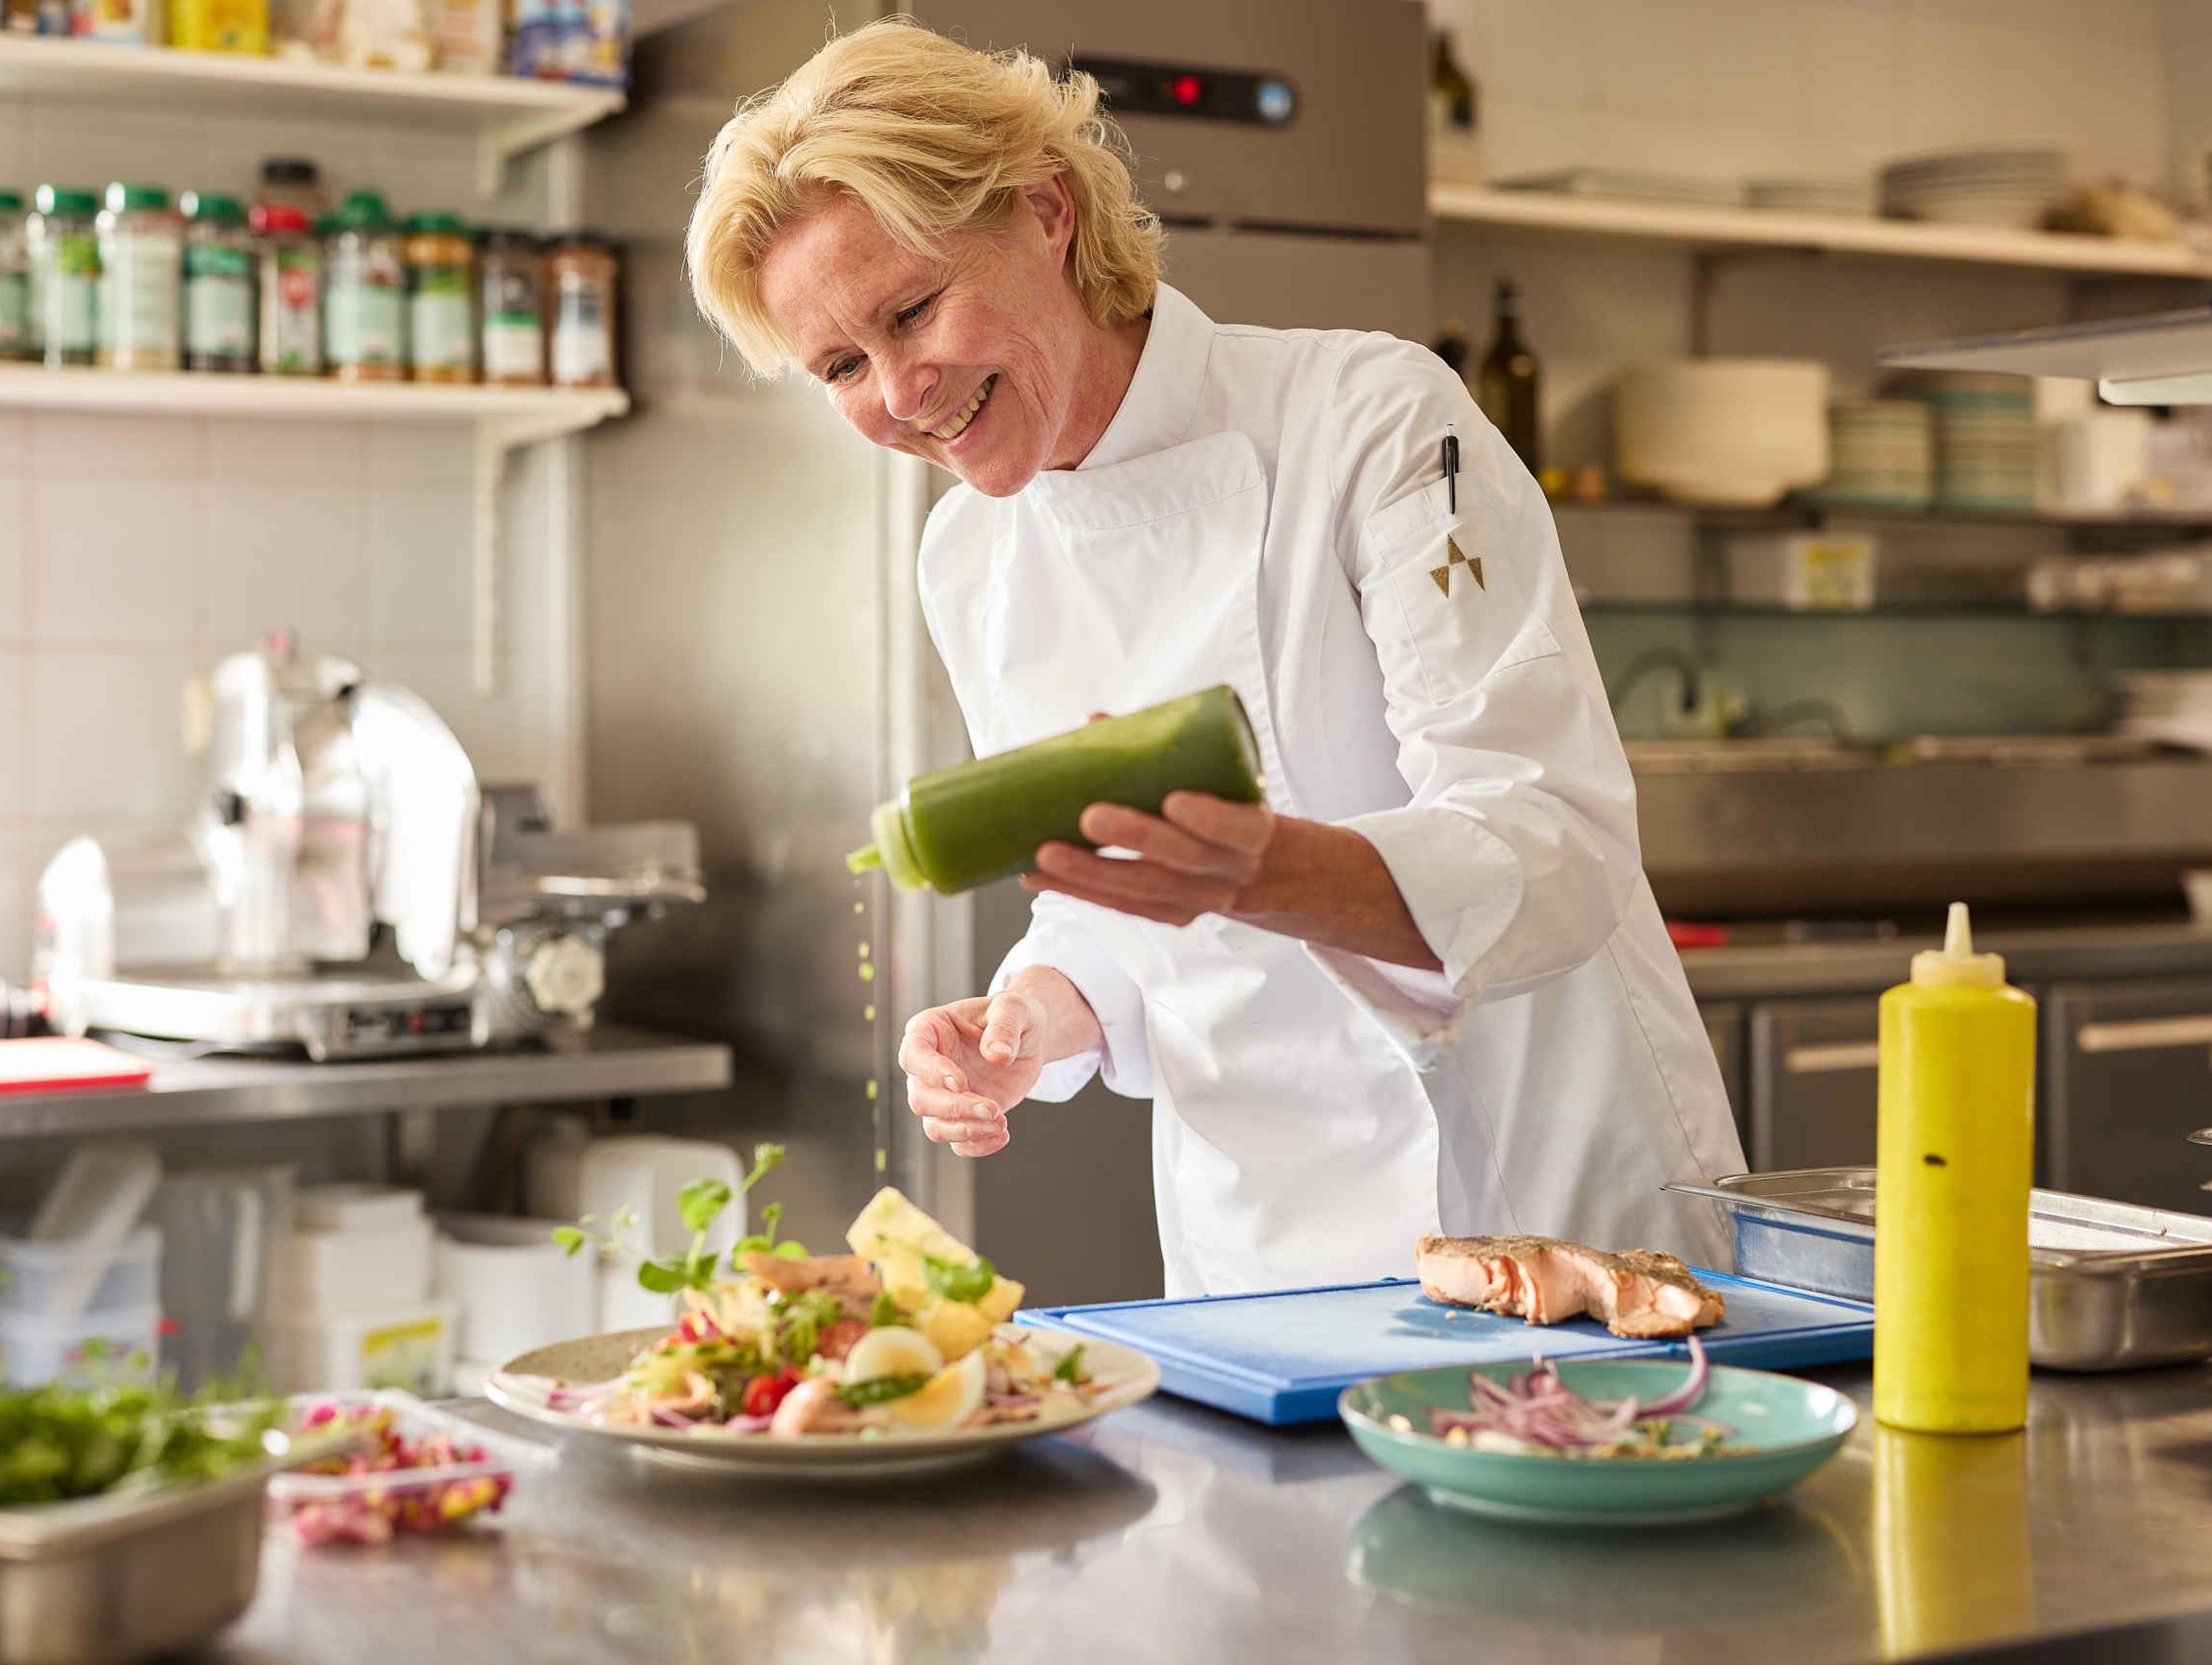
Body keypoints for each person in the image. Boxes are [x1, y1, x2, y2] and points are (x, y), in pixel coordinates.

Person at [686, 20, 1744, 1297]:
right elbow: (1100, 912)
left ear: (1045, 211)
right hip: (1263, 1267)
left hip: (1549, 1217)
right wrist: (1030, 1018)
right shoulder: (969, 558)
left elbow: (1553, 850)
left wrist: (1262, 871)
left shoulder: (1372, 424)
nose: (899, 393)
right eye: (843, 366)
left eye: (913, 309)